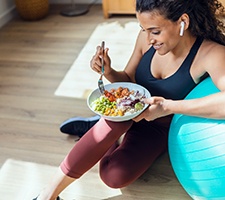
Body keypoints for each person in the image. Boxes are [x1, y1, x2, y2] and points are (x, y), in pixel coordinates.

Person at [34, 0, 225, 199]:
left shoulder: (211, 54)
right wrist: (108, 71)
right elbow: (128, 80)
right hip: (127, 113)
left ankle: (97, 128)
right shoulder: (145, 39)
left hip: (159, 127)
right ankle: (48, 195)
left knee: (114, 176)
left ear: (182, 21)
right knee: (119, 120)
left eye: (155, 31)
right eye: (143, 29)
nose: (149, 38)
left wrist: (167, 107)